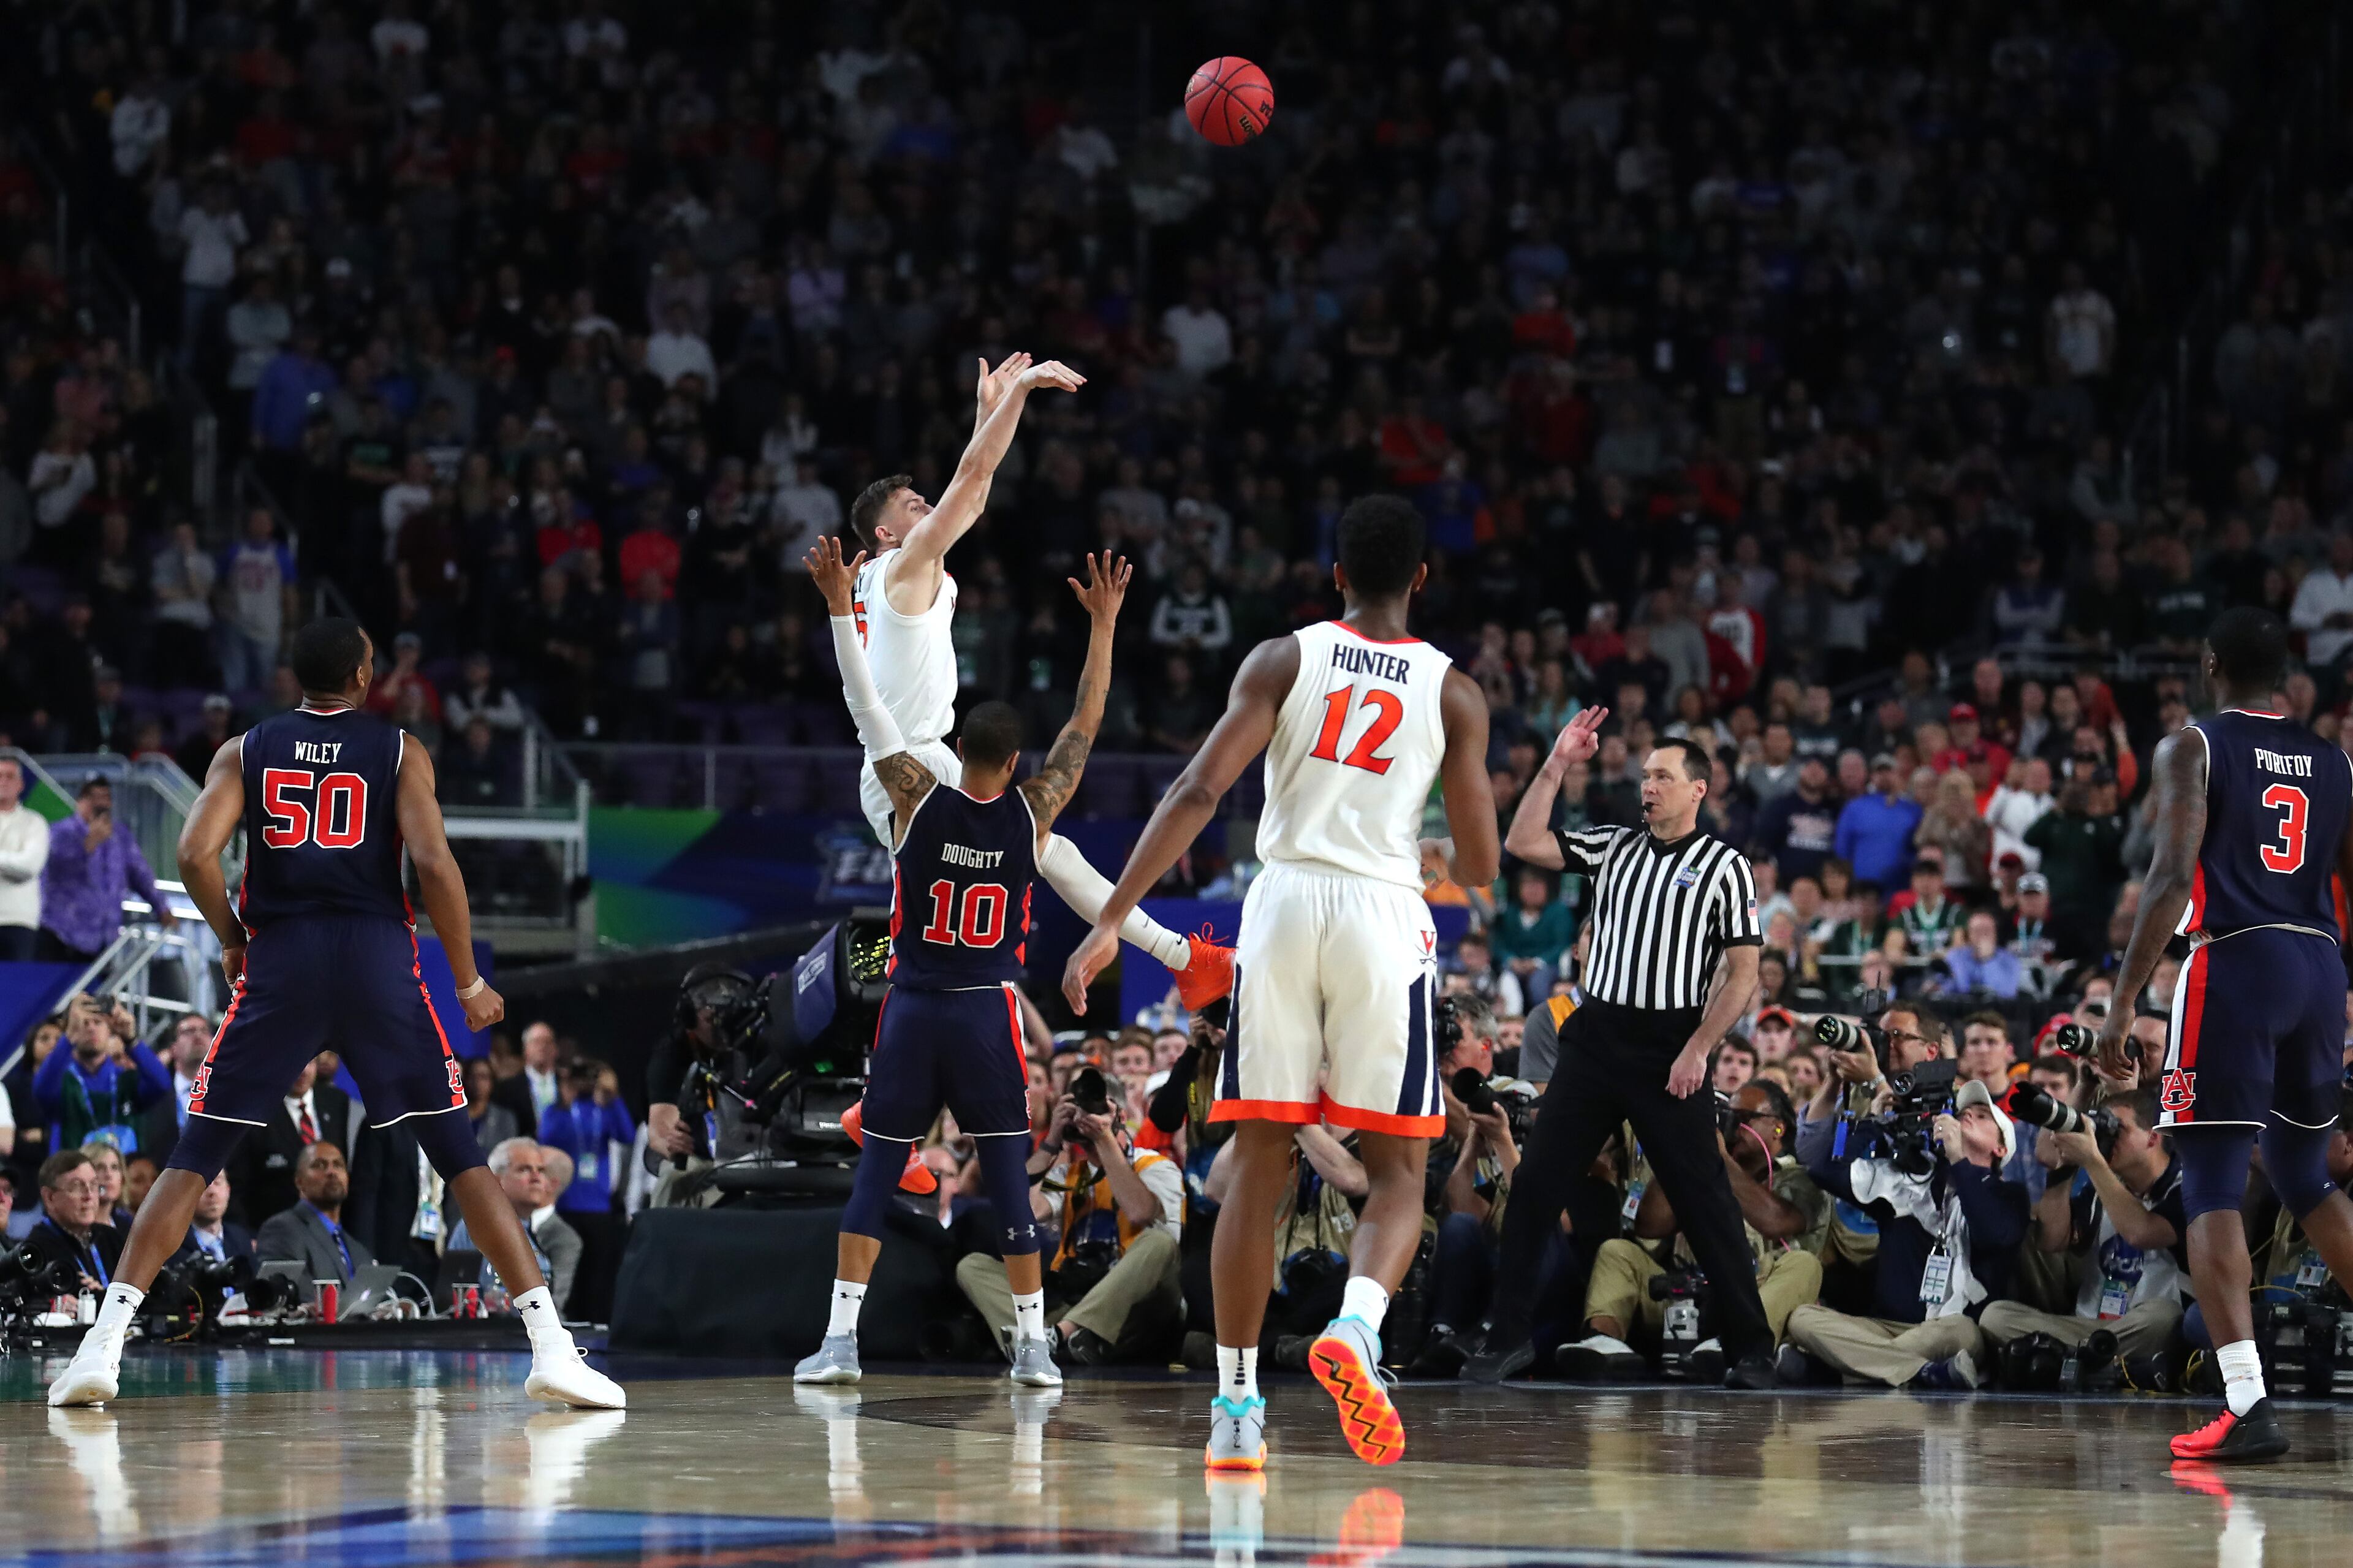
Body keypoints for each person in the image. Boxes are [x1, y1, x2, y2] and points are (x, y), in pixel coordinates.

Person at [47, 618, 621, 1410]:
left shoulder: (243, 748)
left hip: (283, 955)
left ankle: (100, 1347)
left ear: (297, 679)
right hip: (376, 955)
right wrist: (465, 980)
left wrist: (234, 936)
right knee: (459, 1150)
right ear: (361, 675)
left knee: (197, 1150)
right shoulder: (398, 749)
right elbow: (432, 862)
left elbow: (191, 854)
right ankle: (551, 1346)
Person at [1063, 495, 1500, 1470]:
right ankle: (1355, 1325)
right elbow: (1479, 861)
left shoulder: (1283, 656)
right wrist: (1411, 840)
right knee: (1397, 1169)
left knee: (1257, 1167)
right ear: (1421, 578)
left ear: (1335, 575)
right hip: (1386, 914)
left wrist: (1110, 923)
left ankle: (1235, 1412)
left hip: (1287, 902)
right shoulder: (1455, 692)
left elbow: (1197, 792)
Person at [794, 539, 1129, 1392]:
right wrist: (1103, 625)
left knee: (877, 1168)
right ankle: (1033, 1348)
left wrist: (841, 601)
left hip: (912, 1007)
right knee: (1010, 1181)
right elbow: (1084, 726)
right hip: (987, 1012)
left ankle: (840, 1343)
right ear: (1015, 762)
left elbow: (867, 703)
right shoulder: (1034, 812)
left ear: (960, 750)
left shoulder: (913, 793)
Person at [833, 352, 1231, 1010]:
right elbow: (975, 476)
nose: (929, 507)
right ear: (886, 532)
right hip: (902, 765)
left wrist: (990, 412)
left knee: (1047, 848)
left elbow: (975, 489)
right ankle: (1183, 959)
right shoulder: (903, 568)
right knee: (977, 909)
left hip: (922, 756)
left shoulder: (892, 577)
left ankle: (1185, 958)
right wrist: (1019, 391)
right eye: (914, 505)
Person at [2096, 607, 2353, 1462]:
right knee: (2305, 1174)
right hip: (2320, 964)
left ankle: (2246, 1402)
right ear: (2284, 674)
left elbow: (2172, 874)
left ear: (2211, 664)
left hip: (2237, 959)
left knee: (2208, 1176)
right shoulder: (2333, 757)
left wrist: (2124, 1000)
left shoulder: (2193, 745)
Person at [1465, 721, 1776, 1391]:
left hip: (1671, 1047)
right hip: (1596, 1037)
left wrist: (1700, 1048)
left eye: (1662, 776)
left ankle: (1753, 1346)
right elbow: (1522, 842)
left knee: (1706, 1201)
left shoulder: (1725, 866)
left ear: (1698, 788)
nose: (1648, 787)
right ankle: (1508, 1335)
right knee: (1538, 1185)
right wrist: (1553, 764)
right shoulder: (1614, 846)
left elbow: (1745, 973)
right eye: (1643, 776)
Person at [1783, 1078, 2027, 1388]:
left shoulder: (2010, 1195)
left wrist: (1959, 1161)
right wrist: (1873, 1124)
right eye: (1962, 1111)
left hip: (1953, 1331)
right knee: (1804, 1318)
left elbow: (1993, 1235)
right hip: (1886, 1328)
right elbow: (1822, 1169)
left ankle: (1837, 1371)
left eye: (1982, 1115)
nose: (1966, 1115)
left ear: (2000, 1148)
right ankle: (1922, 1372)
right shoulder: (1908, 1184)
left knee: (1959, 1332)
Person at [959, 1083, 1184, 1363]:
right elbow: (1020, 1213)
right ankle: (1042, 1339)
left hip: (1137, 1307)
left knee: (1158, 1243)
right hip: (1074, 1298)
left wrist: (1105, 1139)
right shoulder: (1068, 1174)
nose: (1086, 1118)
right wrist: (1051, 1142)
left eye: (1095, 1110)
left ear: (1121, 1117)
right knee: (973, 1266)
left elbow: (1140, 1212)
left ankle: (1048, 1340)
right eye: (1078, 1110)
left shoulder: (1155, 1166)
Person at [1979, 1087, 2186, 1363]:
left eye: (2117, 1130)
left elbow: (2142, 1232)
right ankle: (2091, 1358)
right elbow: (2051, 1240)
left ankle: (2058, 1355)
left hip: (2142, 1328)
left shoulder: (2185, 1185)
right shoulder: (2100, 1186)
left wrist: (2092, 1160)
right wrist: (2063, 1169)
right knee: (1996, 1316)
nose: (2105, 1141)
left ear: (2153, 1137)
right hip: (2091, 1327)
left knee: (2165, 1318)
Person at [39, 776, 178, 964]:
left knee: (100, 992)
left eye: (106, 799)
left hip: (105, 937)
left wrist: (161, 907)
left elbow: (139, 873)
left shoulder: (120, 835)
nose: (101, 805)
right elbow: (55, 868)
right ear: (81, 802)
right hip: (63, 934)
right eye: (94, 799)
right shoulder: (61, 832)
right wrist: (88, 844)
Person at [255, 1140, 373, 1283]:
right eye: (319, 1165)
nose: (332, 1172)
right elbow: (294, 1298)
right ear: (299, 1182)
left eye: (338, 1165)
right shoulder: (282, 1231)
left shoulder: (358, 1249)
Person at [25, 1149, 123, 1289]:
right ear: (50, 1198)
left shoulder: (111, 1238)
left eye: (94, 1185)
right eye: (77, 1187)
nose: (89, 1196)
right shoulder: (37, 1251)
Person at [0, 755, 48, 960]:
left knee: (17, 988)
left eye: (10, 776)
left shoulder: (34, 823)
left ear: (20, 785)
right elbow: (18, 865)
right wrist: (10, 860)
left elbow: (29, 867)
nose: (3, 781)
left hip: (19, 921)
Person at [172, 1169, 256, 1264]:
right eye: (203, 1185)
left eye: (217, 1183)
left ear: (228, 1190)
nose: (212, 1192)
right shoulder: (173, 1245)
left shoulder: (240, 1239)